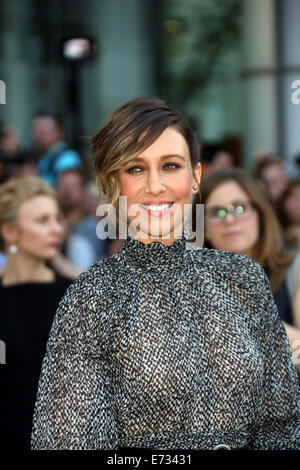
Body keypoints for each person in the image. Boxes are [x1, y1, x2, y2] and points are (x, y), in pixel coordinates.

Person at [31, 97, 300, 450]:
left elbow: (283, 425)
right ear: (111, 183)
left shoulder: (243, 277)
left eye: (171, 166)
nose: (155, 186)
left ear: (195, 177)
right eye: (135, 168)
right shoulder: (93, 297)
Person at [201, 167, 300, 371]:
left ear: (260, 214)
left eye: (239, 208)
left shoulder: (295, 269)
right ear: (205, 228)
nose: (229, 220)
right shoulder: (195, 283)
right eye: (216, 212)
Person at [0, 175, 73, 449]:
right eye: (42, 221)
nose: (56, 229)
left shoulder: (73, 298)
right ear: (11, 232)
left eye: (57, 219)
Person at [56, 169, 108, 267]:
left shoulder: (93, 228)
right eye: (63, 186)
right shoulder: (50, 225)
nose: (68, 190)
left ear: (83, 192)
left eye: (73, 186)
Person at [32, 111, 82, 188]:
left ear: (58, 132)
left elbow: (68, 193)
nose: (38, 135)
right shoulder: (43, 157)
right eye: (35, 129)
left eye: (42, 131)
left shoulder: (68, 158)